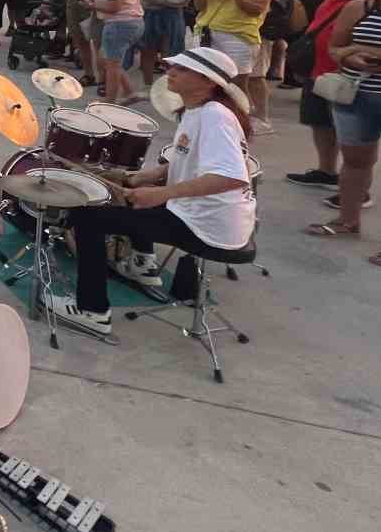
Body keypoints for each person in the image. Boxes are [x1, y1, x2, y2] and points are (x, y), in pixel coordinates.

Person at [49, 47, 256, 335]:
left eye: (182, 70)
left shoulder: (215, 117)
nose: (170, 71)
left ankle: (92, 310)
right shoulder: (196, 110)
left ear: (208, 81)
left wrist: (161, 194)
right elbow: (186, 158)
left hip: (209, 225)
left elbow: (231, 178)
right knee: (127, 202)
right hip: (199, 213)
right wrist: (146, 177)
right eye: (172, 66)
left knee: (88, 218)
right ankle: (142, 265)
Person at [313, 0, 381, 240]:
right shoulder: (359, 7)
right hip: (357, 94)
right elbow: (336, 48)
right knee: (354, 161)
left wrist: (370, 52)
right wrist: (351, 58)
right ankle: (347, 220)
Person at [287, 0, 373, 195]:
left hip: (350, 77)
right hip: (319, 71)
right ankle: (326, 171)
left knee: (353, 138)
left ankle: (357, 191)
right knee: (320, 123)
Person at [194, 0, 275, 132]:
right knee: (207, 79)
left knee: (237, 83)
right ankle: (215, 118)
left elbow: (255, 10)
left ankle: (242, 121)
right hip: (207, 31)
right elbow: (199, 7)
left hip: (238, 35)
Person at [91, 0, 144, 106]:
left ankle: (110, 99)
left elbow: (114, 7)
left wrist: (92, 5)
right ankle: (129, 92)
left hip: (120, 24)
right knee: (110, 60)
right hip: (127, 22)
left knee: (112, 64)